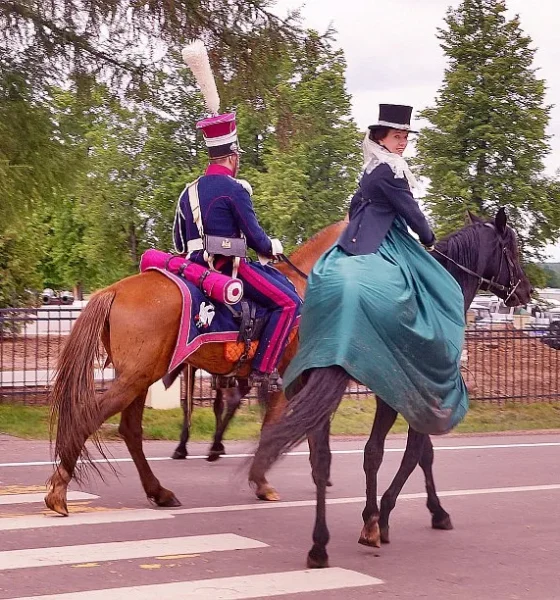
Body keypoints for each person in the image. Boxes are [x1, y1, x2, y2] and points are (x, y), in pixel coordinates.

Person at [282, 104, 469, 433]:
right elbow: (412, 213)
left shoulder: (372, 168)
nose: (403, 143)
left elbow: (357, 207)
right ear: (381, 137)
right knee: (435, 286)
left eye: (406, 137)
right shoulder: (390, 171)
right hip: (381, 241)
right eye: (397, 136)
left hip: (358, 239)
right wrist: (428, 238)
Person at [173, 112, 301, 388]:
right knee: (289, 302)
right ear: (233, 156)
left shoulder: (188, 191)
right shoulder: (235, 189)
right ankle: (263, 369)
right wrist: (272, 246)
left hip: (192, 268)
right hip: (227, 267)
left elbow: (178, 241)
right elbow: (255, 238)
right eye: (237, 155)